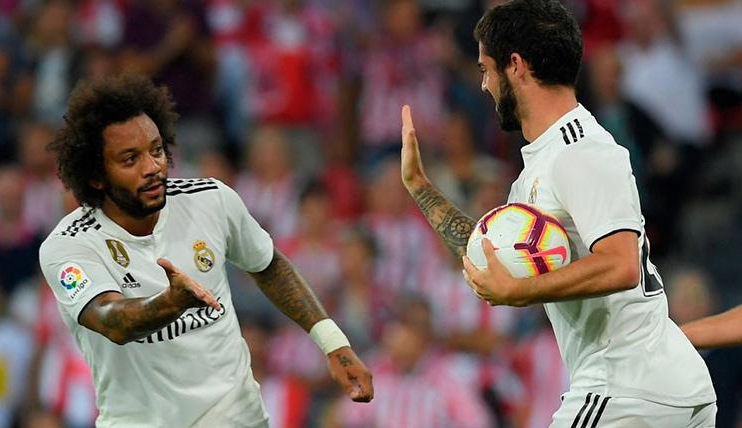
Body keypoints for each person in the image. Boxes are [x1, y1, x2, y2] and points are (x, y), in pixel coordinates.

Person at [400, 0, 716, 426]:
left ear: (516, 66)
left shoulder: (579, 150)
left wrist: (521, 292)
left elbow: (621, 265)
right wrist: (421, 189)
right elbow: (488, 255)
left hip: (626, 387)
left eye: (485, 69)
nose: (484, 86)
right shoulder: (546, 161)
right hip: (654, 388)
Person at [38, 74, 373, 428]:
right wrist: (171, 301)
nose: (152, 167)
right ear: (96, 176)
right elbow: (111, 321)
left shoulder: (211, 199)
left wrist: (332, 341)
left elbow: (268, 265)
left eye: (156, 150)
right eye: (130, 159)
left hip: (237, 418)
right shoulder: (68, 246)